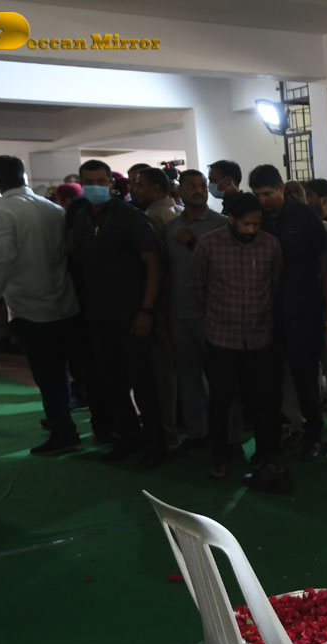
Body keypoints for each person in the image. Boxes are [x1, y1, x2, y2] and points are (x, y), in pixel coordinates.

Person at [0, 155, 82, 455]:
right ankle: (70, 422)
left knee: (47, 373)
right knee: (66, 368)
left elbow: (1, 258)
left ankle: (64, 431)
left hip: (30, 305)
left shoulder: (3, 211)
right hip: (64, 299)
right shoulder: (52, 208)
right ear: (23, 175)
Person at [69, 159, 165, 466]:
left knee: (143, 383)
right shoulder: (81, 218)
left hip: (132, 313)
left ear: (112, 184)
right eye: (88, 181)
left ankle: (155, 445)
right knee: (111, 382)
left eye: (101, 181)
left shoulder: (129, 217)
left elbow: (153, 265)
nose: (95, 186)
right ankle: (128, 438)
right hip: (98, 313)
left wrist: (146, 310)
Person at [192, 192, 289, 489]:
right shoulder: (208, 245)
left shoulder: (270, 245)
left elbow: (275, 285)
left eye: (256, 224)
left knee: (264, 401)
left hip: (260, 336)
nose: (251, 230)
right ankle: (220, 455)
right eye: (246, 224)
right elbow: (199, 287)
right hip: (222, 337)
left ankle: (266, 455)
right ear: (231, 219)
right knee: (221, 401)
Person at [248, 164, 327, 461]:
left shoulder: (305, 216)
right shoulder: (256, 218)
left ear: (281, 188)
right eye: (258, 195)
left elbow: (324, 263)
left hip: (302, 310)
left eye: (268, 194)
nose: (263, 200)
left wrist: (326, 308)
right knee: (270, 379)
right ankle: (286, 431)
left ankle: (314, 435)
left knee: (305, 377)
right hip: (264, 311)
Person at [163, 169, 227, 453]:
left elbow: (226, 267)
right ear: (180, 190)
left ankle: (228, 436)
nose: (199, 190)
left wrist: (192, 242)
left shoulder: (221, 225)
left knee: (222, 381)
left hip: (215, 316)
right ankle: (197, 434)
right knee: (188, 380)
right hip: (181, 314)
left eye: (202, 185)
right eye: (191, 185)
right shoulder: (171, 228)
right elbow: (167, 272)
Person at [133, 165, 182, 453]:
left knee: (165, 375)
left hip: (166, 305)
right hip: (182, 303)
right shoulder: (177, 211)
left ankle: (168, 433)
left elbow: (161, 268)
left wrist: (156, 310)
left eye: (138, 184)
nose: (134, 189)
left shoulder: (153, 216)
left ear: (155, 188)